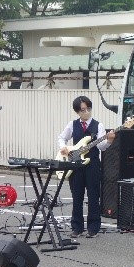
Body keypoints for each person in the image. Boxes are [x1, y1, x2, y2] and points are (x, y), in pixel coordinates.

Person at [58, 96, 115, 238]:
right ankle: (77, 227)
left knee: (94, 196)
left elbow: (101, 147)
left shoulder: (98, 125)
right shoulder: (72, 124)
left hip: (93, 165)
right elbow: (61, 137)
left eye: (88, 108)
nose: (86, 112)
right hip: (76, 164)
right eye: (83, 110)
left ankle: (93, 228)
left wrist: (109, 141)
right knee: (77, 196)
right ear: (77, 111)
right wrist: (63, 147)